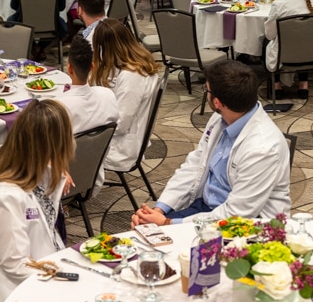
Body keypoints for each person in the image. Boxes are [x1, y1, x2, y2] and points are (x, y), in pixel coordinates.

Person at [131, 60, 291, 225]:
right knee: (143, 233)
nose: (205, 93)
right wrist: (159, 210)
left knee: (153, 242)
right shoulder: (220, 118)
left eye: (206, 90)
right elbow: (195, 165)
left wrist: (167, 224)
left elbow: (237, 214)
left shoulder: (263, 148)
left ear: (217, 103)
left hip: (247, 226)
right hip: (205, 208)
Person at [0, 99, 73, 302]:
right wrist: (62, 274)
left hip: (42, 272)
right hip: (13, 292)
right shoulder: (6, 196)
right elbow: (14, 263)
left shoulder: (39, 168)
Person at [91, 21, 164, 172]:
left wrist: (93, 123)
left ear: (106, 49)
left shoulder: (131, 77)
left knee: (66, 141)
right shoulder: (140, 63)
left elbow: (121, 123)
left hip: (120, 148)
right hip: (129, 137)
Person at [49, 35, 120, 134]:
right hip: (103, 148)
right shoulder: (108, 95)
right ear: (92, 66)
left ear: (69, 68)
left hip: (71, 149)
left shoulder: (58, 107)